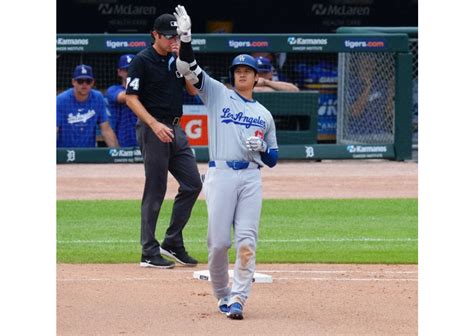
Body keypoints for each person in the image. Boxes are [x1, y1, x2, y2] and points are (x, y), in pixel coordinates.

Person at [173, 5, 278, 320]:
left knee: (247, 242)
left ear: (257, 78)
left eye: (247, 70)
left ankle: (239, 299)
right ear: (232, 75)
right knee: (218, 243)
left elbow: (273, 159)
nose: (242, 73)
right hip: (219, 176)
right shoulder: (217, 94)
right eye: (237, 70)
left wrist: (261, 147)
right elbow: (187, 67)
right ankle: (222, 295)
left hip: (250, 178)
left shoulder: (264, 115)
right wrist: (186, 38)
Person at [125, 11, 202, 269]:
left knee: (192, 184)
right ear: (155, 35)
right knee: (156, 188)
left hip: (176, 128)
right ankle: (148, 250)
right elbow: (131, 97)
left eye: (175, 35)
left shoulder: (176, 58)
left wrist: (185, 58)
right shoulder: (142, 60)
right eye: (168, 36)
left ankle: (172, 242)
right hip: (153, 127)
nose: (172, 40)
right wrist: (154, 124)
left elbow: (194, 89)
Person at [57, 64, 119, 148]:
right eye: (80, 81)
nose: (84, 84)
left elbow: (106, 129)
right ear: (73, 82)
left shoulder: (97, 98)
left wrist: (117, 154)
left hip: (89, 153)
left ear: (92, 82)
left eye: (88, 81)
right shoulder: (61, 100)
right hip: (65, 152)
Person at [105, 54, 138, 147]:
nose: (131, 72)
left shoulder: (145, 88)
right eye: (127, 70)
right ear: (119, 72)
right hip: (121, 138)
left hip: (144, 138)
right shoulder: (113, 90)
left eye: (134, 69)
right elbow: (124, 97)